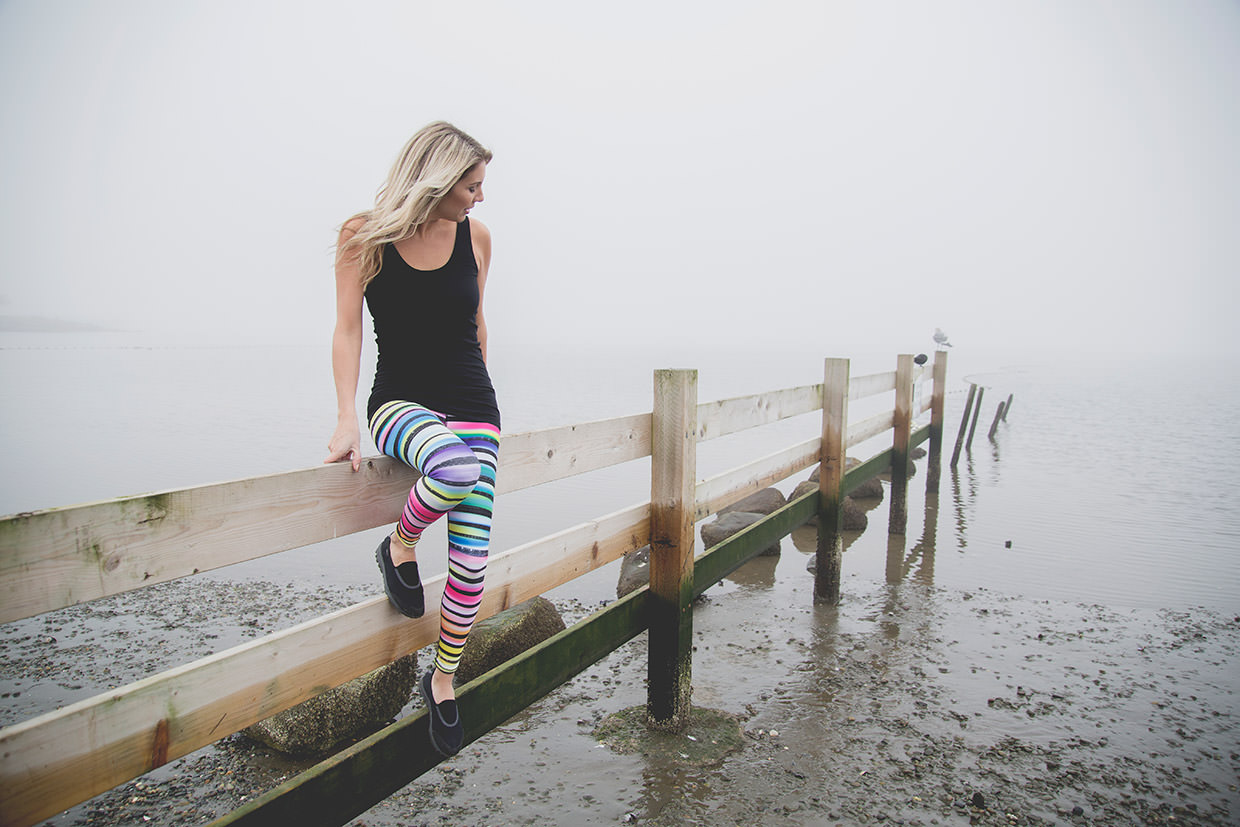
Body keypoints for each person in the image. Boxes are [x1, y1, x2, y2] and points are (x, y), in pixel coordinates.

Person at [325, 121, 500, 757]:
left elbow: (477, 325)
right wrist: (347, 418)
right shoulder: (364, 235)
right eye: (472, 186)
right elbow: (346, 331)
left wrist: (485, 408)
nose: (479, 198)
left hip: (475, 404)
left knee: (472, 564)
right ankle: (400, 545)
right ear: (440, 178)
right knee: (454, 474)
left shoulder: (476, 237)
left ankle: (444, 678)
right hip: (399, 402)